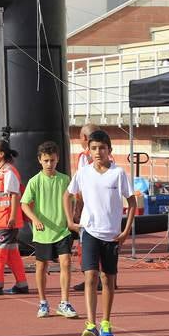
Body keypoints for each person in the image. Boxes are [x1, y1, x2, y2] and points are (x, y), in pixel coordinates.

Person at [64, 130, 136, 336]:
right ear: (88, 150)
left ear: (110, 150)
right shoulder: (83, 172)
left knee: (108, 279)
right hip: (89, 231)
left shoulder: (118, 173)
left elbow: (131, 202)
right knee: (90, 276)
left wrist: (125, 231)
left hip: (112, 235)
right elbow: (67, 195)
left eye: (102, 148)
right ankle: (90, 324)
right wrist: (70, 221)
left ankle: (105, 322)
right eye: (94, 148)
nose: (98, 152)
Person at [21, 141, 78, 319]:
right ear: (40, 160)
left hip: (62, 230)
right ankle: (43, 302)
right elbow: (24, 204)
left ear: (57, 159)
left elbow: (72, 200)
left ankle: (64, 302)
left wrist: (72, 216)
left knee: (66, 262)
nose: (49, 164)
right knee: (41, 266)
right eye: (46, 160)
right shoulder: (35, 181)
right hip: (43, 232)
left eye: (52, 160)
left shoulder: (64, 179)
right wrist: (35, 219)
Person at [0, 139, 29, 295]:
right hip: (0, 219)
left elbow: (15, 195)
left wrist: (13, 217)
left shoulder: (8, 172)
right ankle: (22, 284)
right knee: (11, 253)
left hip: (7, 220)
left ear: (1, 154)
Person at [72, 123, 102, 293]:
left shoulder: (84, 157)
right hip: (104, 208)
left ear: (84, 138)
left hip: (90, 209)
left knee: (86, 245)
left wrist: (77, 209)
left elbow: (81, 187)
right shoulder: (108, 156)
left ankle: (91, 279)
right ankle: (107, 278)